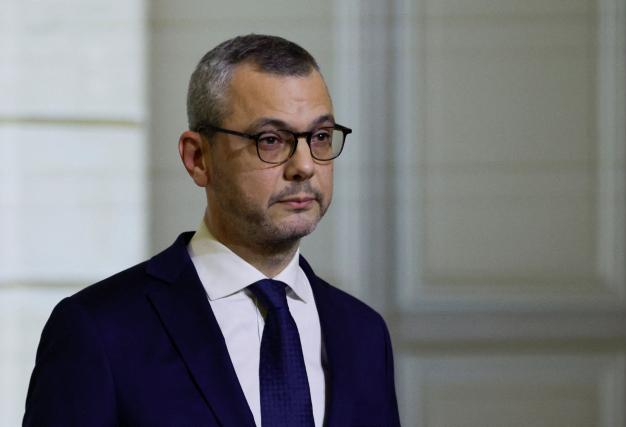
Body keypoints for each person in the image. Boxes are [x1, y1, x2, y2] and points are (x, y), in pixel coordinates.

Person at [23, 34, 400, 427]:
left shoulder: (364, 334)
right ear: (197, 157)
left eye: (320, 137)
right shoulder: (99, 330)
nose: (304, 165)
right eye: (271, 140)